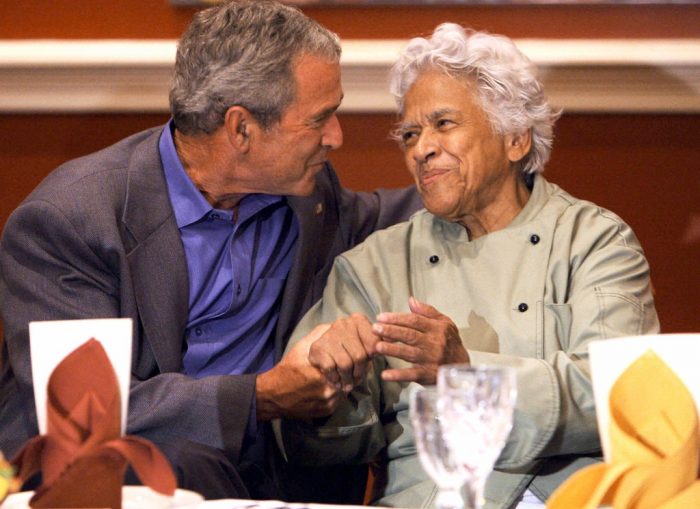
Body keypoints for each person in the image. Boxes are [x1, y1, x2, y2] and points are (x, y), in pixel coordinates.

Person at [0, 0, 420, 502]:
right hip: (125, 477)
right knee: (184, 464)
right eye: (319, 119)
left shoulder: (305, 194)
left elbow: (386, 217)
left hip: (268, 474)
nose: (337, 136)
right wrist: (262, 397)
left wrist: (483, 176)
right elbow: (86, 414)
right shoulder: (69, 221)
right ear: (241, 129)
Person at [275, 23, 660, 509]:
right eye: (410, 134)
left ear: (515, 139)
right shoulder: (372, 266)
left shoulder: (593, 241)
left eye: (443, 123)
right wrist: (328, 388)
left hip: (565, 497)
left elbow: (621, 398)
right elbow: (321, 448)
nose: (421, 149)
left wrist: (466, 371)